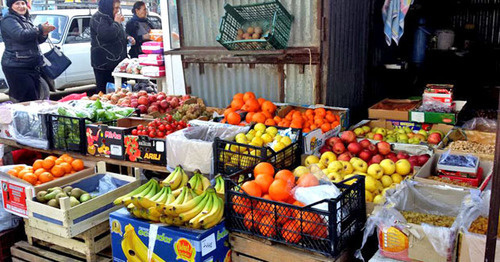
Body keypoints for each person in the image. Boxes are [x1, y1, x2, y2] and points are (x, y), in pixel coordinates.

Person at [0, 0, 55, 102]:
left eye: (23, 3)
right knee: (25, 101)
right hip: (16, 66)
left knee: (34, 99)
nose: (21, 6)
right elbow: (20, 35)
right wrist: (39, 29)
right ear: (11, 6)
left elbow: (35, 40)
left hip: (31, 65)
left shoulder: (26, 19)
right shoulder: (8, 20)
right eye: (17, 3)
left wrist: (44, 33)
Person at [90, 0, 135, 94]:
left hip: (118, 63)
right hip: (104, 64)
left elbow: (118, 33)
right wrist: (117, 23)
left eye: (119, 8)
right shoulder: (97, 18)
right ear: (108, 7)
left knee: (121, 92)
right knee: (106, 93)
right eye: (115, 8)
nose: (117, 11)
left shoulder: (112, 18)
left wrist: (127, 38)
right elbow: (107, 35)